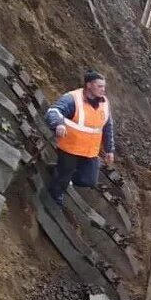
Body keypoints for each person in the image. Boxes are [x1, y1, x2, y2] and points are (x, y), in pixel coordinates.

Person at [45, 70, 115, 207]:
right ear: (89, 85)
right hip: (70, 148)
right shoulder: (72, 99)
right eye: (99, 86)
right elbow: (53, 112)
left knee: (89, 180)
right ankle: (55, 199)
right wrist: (58, 124)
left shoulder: (104, 103)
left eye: (104, 87)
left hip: (90, 152)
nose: (103, 90)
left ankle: (58, 171)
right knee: (62, 181)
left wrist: (109, 149)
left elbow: (108, 126)